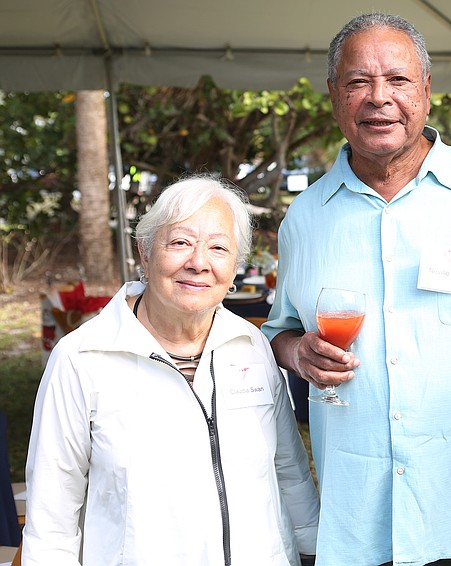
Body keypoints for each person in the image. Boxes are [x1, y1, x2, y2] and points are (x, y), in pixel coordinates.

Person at [261, 12, 451, 566]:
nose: (379, 98)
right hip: (360, 521)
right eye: (358, 81)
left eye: (397, 80)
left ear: (426, 89)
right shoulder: (305, 218)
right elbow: (280, 331)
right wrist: (298, 352)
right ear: (334, 95)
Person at [24, 175, 319, 565]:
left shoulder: (250, 346)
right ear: (145, 254)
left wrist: (314, 550)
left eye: (218, 248)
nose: (198, 263)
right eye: (180, 243)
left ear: (235, 268)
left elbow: (288, 468)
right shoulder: (82, 358)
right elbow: (52, 514)